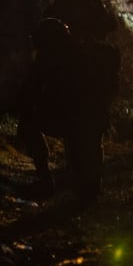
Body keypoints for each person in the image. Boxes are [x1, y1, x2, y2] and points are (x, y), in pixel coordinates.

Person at [16, 17, 120, 200]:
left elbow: (29, 90)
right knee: (86, 155)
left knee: (31, 124)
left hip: (75, 119)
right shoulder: (84, 55)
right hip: (85, 118)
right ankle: (86, 183)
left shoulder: (51, 59)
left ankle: (48, 179)